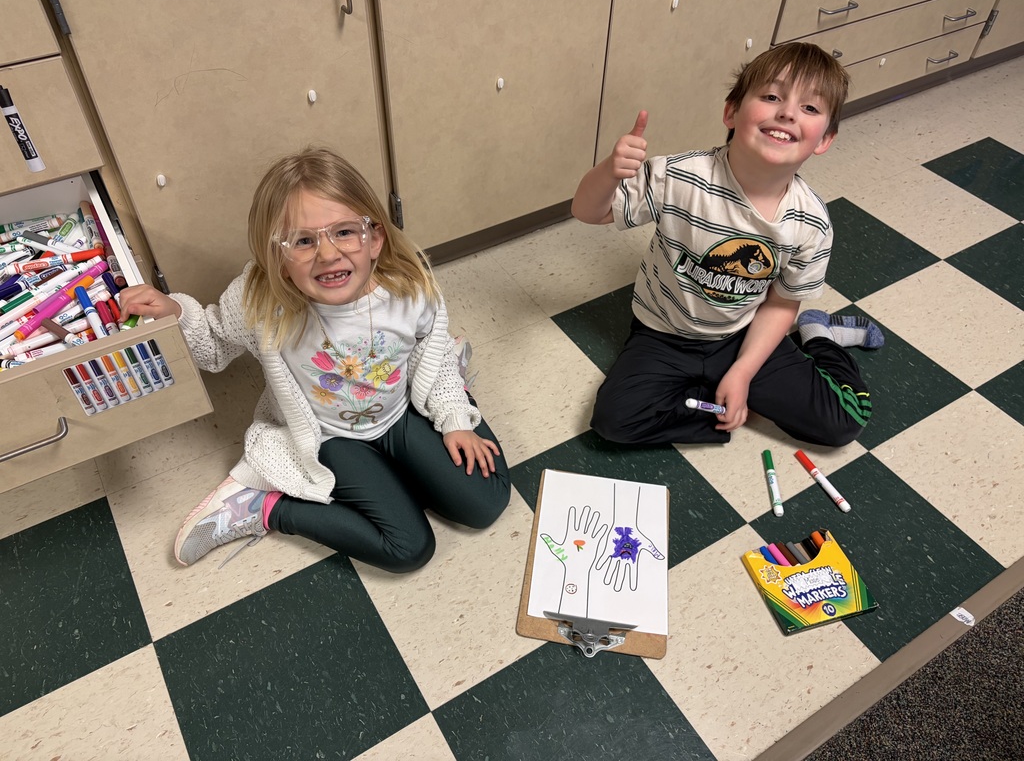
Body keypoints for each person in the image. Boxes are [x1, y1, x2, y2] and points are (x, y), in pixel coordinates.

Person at [119, 147, 510, 572]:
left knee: (486, 502)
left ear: (375, 237)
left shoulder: (408, 286)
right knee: (409, 549)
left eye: (344, 232)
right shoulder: (259, 301)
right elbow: (212, 346)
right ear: (278, 258)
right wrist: (175, 313)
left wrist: (454, 417)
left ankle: (452, 379)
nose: (327, 254)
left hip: (400, 412)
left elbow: (426, 348)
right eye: (303, 241)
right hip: (330, 438)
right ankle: (263, 507)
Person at [571, 42, 884, 448]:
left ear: (824, 139)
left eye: (810, 108)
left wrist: (742, 373)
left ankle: (819, 335)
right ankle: (717, 404)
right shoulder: (678, 176)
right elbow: (588, 211)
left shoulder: (812, 222)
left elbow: (782, 303)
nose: (787, 112)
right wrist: (608, 172)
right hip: (662, 333)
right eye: (771, 97)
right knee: (614, 422)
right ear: (731, 112)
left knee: (844, 424)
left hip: (744, 333)